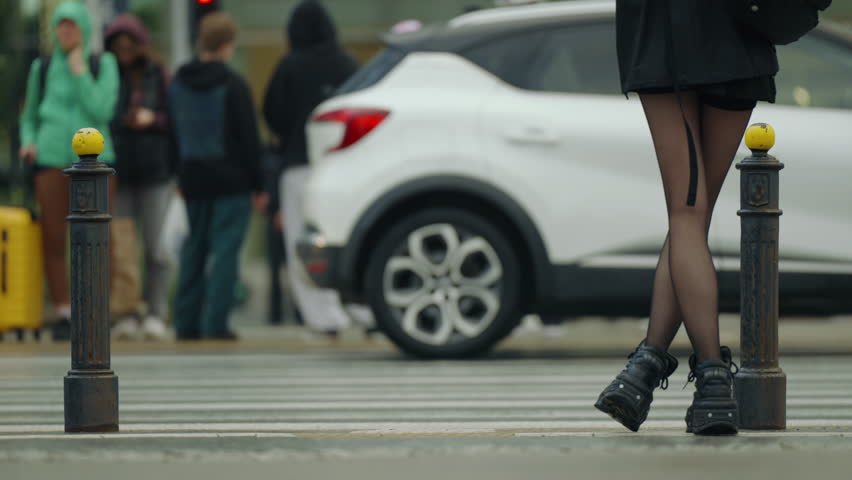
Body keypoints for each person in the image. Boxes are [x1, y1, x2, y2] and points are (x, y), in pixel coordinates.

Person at [594, 1, 780, 436]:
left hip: (666, 40)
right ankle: (651, 368)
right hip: (739, 34)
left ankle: (707, 376)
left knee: (686, 215)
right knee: (691, 218)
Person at [18, 1, 119, 341]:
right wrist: (29, 141)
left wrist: (80, 73)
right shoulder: (42, 68)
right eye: (60, 27)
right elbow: (29, 114)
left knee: (99, 238)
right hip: (51, 160)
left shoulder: (100, 63)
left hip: (96, 164)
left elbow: (101, 107)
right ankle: (64, 309)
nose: (65, 32)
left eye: (71, 26)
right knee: (54, 238)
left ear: (84, 30)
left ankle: (97, 309)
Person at [169, 12, 267, 341]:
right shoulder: (233, 84)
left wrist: (178, 176)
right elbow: (248, 138)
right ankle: (216, 324)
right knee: (225, 252)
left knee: (194, 250)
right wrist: (259, 184)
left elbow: (172, 134)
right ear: (226, 46)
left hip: (193, 180)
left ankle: (185, 322)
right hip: (231, 182)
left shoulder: (179, 83)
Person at [262, 0, 359, 332]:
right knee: (345, 232)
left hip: (299, 164)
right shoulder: (348, 64)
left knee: (300, 242)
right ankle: (359, 310)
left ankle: (321, 317)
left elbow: (272, 112)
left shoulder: (289, 66)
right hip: (343, 164)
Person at [104, 13, 174, 341]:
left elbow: (173, 118)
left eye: (129, 46)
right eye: (118, 47)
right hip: (120, 170)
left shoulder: (157, 75)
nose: (124, 52)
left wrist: (152, 119)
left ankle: (158, 312)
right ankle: (127, 312)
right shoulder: (107, 74)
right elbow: (103, 114)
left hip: (155, 171)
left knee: (157, 248)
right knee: (123, 248)